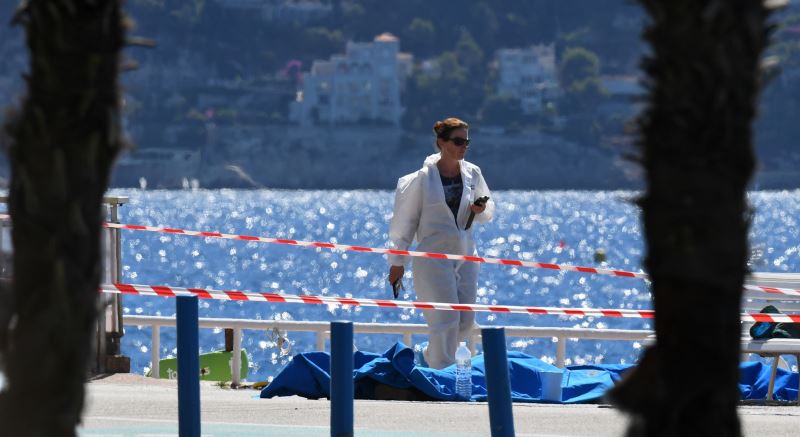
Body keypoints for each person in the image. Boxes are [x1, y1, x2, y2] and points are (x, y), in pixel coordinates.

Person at [387, 117, 494, 369]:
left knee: (466, 321)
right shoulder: (421, 180)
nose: (464, 146)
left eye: (466, 141)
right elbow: (405, 222)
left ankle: (428, 357)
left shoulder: (473, 173)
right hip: (432, 258)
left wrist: (480, 208)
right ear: (441, 143)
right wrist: (397, 262)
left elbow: (489, 211)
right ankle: (442, 376)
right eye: (458, 141)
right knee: (445, 320)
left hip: (466, 256)